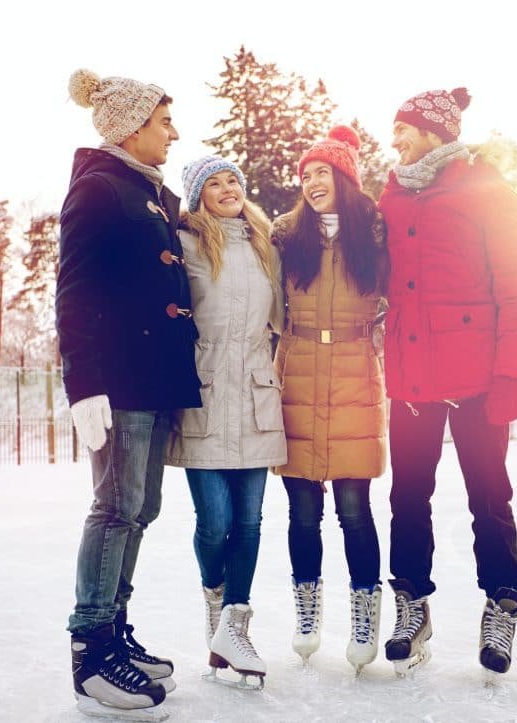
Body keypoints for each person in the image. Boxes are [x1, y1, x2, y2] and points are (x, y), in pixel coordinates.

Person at [378, 88, 517, 682]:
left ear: (433, 131)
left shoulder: (488, 192)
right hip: (411, 379)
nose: (393, 140)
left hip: (477, 380)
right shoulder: (390, 198)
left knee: (489, 498)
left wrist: (510, 378)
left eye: (403, 129)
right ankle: (411, 606)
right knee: (406, 499)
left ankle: (502, 602)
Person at [56, 68, 200, 717]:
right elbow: (75, 290)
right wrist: (83, 384)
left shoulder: (150, 194)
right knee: (114, 506)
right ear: (132, 126)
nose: (174, 133)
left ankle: (115, 630)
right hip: (116, 382)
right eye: (165, 121)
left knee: (140, 509)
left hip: (153, 379)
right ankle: (90, 652)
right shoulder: (98, 190)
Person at [164, 155, 286, 690]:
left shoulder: (268, 247)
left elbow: (288, 317)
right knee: (215, 521)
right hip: (206, 394)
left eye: (232, 179)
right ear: (198, 198)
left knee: (252, 520)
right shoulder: (186, 245)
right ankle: (215, 599)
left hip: (258, 394)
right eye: (213, 183)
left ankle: (236, 622)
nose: (226, 188)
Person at [271, 126, 389, 674]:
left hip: (352, 379)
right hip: (295, 377)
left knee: (353, 509)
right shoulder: (286, 236)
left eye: (323, 172)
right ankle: (307, 609)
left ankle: (365, 614)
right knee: (301, 511)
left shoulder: (375, 236)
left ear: (344, 177)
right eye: (306, 175)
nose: (313, 182)